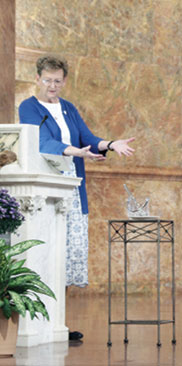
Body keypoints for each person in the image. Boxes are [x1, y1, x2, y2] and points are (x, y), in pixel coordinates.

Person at [19, 55, 136, 341]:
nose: (53, 86)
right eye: (47, 80)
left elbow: (87, 136)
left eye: (58, 81)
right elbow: (42, 142)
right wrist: (76, 151)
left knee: (65, 256)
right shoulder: (28, 107)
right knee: (45, 254)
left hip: (73, 189)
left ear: (65, 81)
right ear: (37, 79)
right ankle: (38, 322)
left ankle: (58, 322)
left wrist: (109, 144)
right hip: (47, 191)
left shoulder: (69, 108)